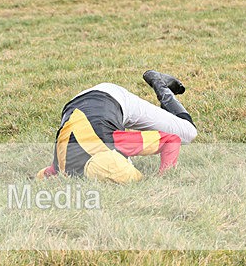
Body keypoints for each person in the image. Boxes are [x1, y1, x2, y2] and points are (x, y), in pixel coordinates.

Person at [37, 70, 197, 183]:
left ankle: (160, 84)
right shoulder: (64, 167)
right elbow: (47, 172)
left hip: (114, 97)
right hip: (77, 103)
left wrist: (165, 177)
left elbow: (171, 140)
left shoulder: (118, 143)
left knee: (188, 133)